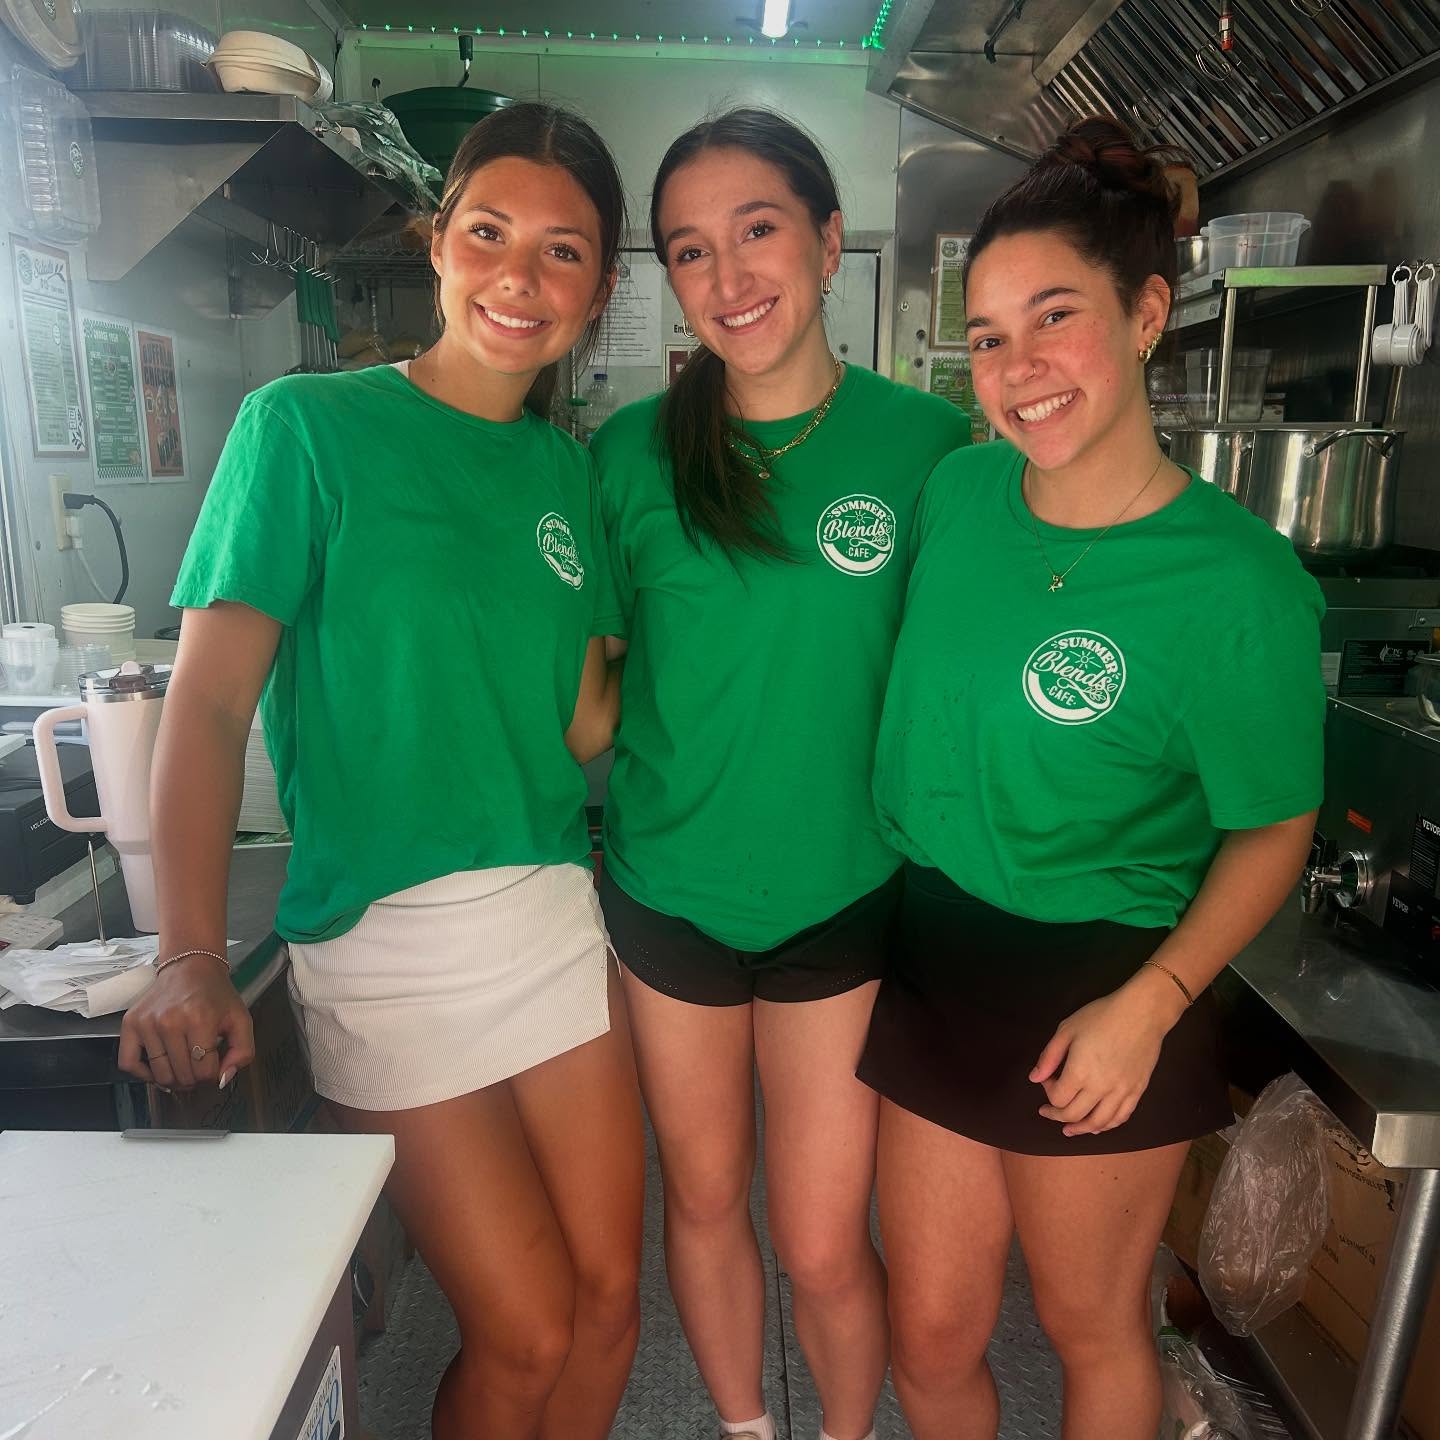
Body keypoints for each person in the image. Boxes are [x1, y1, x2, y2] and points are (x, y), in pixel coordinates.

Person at [117, 104, 645, 1440]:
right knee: (521, 1336)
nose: (521, 277)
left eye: (564, 252)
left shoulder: (568, 477)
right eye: (490, 234)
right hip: (386, 940)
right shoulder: (304, 428)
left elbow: (578, 729)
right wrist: (187, 951)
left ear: (601, 286)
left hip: (547, 915)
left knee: (610, 1304)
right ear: (439, 243)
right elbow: (211, 702)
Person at [857, 115, 1325, 1440]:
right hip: (941, 950)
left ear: (1146, 315)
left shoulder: (1236, 585)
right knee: (931, 1331)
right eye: (990, 335)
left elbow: (1274, 828)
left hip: (1113, 982)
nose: (1015, 369)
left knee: (1089, 1329)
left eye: (1052, 318)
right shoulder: (959, 495)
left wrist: (1152, 1006)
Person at [590, 109, 972, 1440]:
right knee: (700, 1201)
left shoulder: (932, 451)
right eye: (691, 251)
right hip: (668, 891)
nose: (730, 275)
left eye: (757, 230)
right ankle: (749, 1428)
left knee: (820, 1241)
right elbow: (588, 675)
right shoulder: (628, 455)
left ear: (825, 241)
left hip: (843, 896)